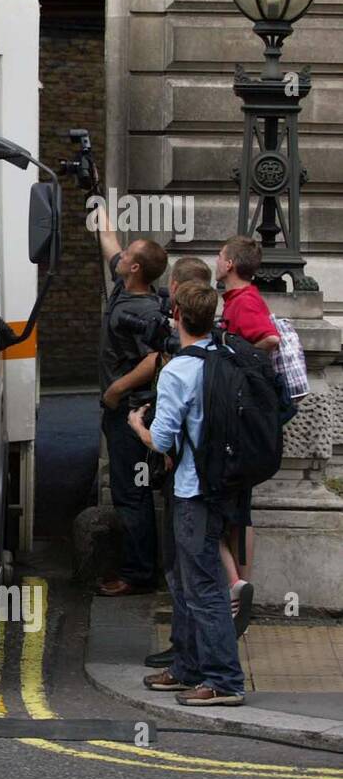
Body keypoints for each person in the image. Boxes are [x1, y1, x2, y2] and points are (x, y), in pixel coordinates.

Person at [133, 281, 245, 707]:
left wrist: (136, 426)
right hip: (218, 484)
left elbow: (161, 441)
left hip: (192, 491)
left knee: (202, 586)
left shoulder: (179, 369)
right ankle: (188, 667)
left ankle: (224, 679)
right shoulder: (223, 357)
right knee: (186, 581)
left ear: (175, 314)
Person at [94, 205, 169, 598]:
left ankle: (139, 574)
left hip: (131, 412)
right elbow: (111, 242)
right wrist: (98, 205)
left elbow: (155, 357)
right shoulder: (127, 288)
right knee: (130, 491)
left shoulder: (143, 310)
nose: (120, 256)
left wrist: (116, 390)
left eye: (128, 256)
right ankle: (139, 569)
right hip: (119, 409)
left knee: (132, 493)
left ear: (136, 268)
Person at [213, 234, 275, 619]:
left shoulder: (246, 300)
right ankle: (241, 592)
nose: (217, 261)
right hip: (241, 421)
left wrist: (236, 365)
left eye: (220, 257)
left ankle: (238, 592)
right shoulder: (234, 300)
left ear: (231, 264)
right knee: (239, 514)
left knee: (231, 514)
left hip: (241, 422)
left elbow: (268, 339)